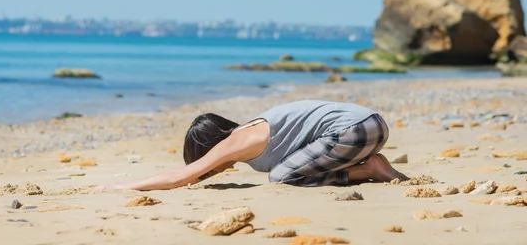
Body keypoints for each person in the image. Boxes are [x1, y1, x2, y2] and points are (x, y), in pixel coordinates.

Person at [101, 100, 408, 191]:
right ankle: (367, 163)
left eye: (206, 163)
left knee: (280, 177)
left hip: (353, 132)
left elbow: (179, 178)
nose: (209, 171)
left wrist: (124, 187)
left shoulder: (236, 141)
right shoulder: (252, 129)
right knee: (288, 170)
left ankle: (369, 168)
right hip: (372, 125)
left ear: (211, 145)